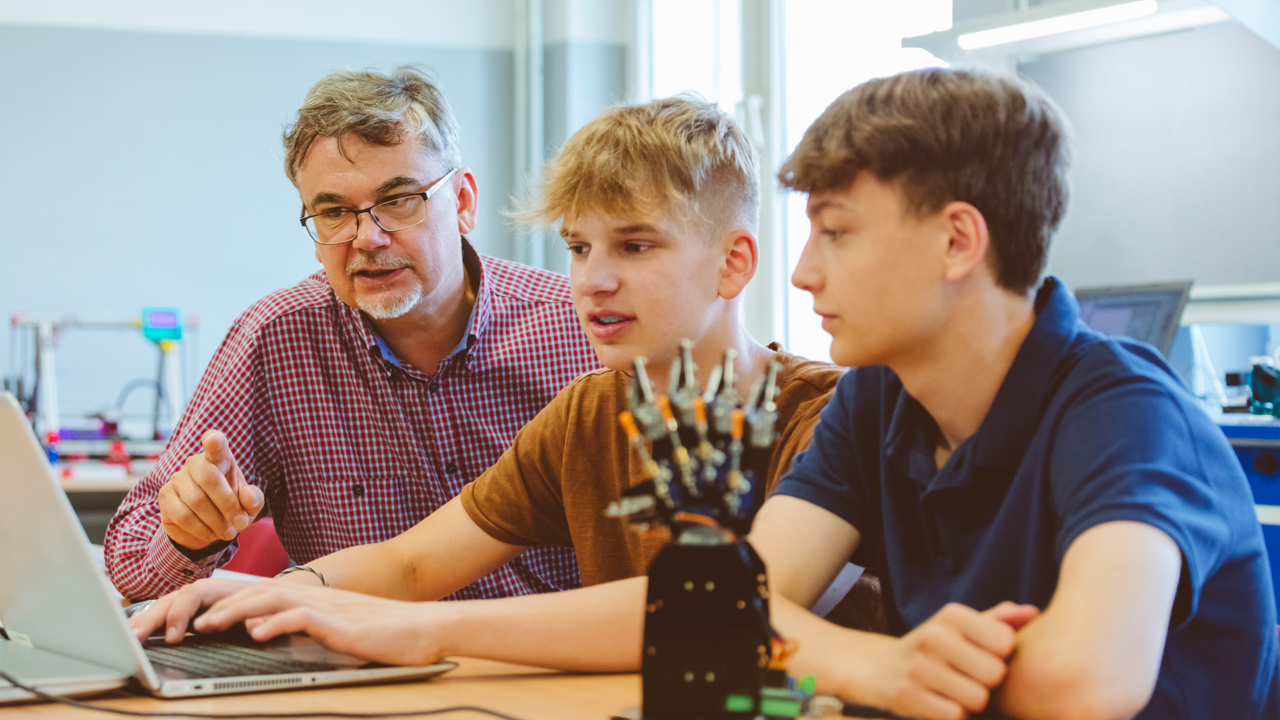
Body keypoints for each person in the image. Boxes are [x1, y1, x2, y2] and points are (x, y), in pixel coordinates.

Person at [131, 96, 849, 663]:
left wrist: (424, 632)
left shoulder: (825, 416)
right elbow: (411, 565)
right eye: (578, 246)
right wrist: (267, 596)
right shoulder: (589, 412)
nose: (593, 281)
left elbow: (719, 608)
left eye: (635, 246)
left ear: (734, 263)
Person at [744, 68, 1280, 720]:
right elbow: (721, 614)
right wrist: (885, 667)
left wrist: (820, 654)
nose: (803, 273)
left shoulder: (1129, 410)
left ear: (957, 241)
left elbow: (1079, 685)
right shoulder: (875, 397)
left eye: (836, 232)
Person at [105, 66, 598, 602]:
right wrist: (188, 536)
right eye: (334, 212)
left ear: (462, 202)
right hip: (366, 677)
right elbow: (130, 559)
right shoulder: (276, 342)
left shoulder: (580, 327)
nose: (367, 237)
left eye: (399, 199)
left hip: (557, 670)